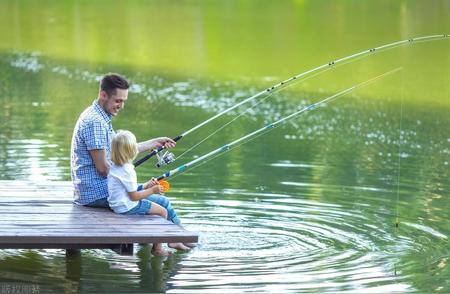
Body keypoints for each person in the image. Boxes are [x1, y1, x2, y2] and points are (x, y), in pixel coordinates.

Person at [70, 73, 175, 207]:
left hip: (104, 188)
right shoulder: (95, 122)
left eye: (124, 101)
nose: (121, 105)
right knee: (163, 203)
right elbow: (102, 169)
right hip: (96, 194)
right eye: (118, 100)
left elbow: (122, 150)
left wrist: (155, 143)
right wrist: (132, 185)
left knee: (149, 193)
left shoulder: (100, 116)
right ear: (103, 95)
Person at [108, 130, 190, 256]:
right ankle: (158, 248)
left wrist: (146, 185)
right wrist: (153, 190)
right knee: (163, 211)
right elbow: (134, 196)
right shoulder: (128, 170)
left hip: (118, 205)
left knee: (156, 207)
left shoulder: (115, 166)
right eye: (134, 147)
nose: (137, 149)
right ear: (130, 152)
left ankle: (164, 239)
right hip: (127, 206)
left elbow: (129, 189)